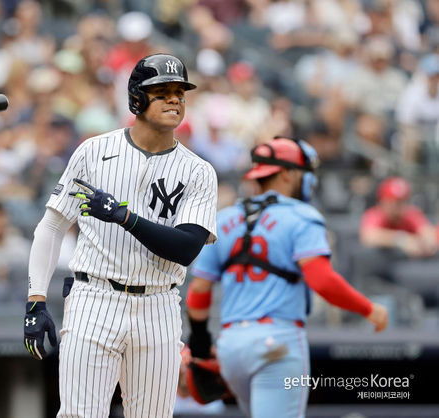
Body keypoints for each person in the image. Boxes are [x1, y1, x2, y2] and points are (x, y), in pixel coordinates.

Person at [23, 54, 218, 417]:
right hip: (94, 297)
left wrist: (124, 217)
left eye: (180, 92)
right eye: (162, 92)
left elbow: (187, 247)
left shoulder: (198, 171)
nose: (174, 99)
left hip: (159, 304)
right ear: (136, 99)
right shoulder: (94, 151)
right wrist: (36, 299)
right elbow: (51, 227)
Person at [186, 137, 388, 418]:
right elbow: (322, 281)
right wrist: (368, 308)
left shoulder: (224, 218)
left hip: (231, 345)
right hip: (277, 343)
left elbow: (198, 291)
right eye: (305, 173)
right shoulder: (302, 215)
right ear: (287, 174)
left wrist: (199, 344)